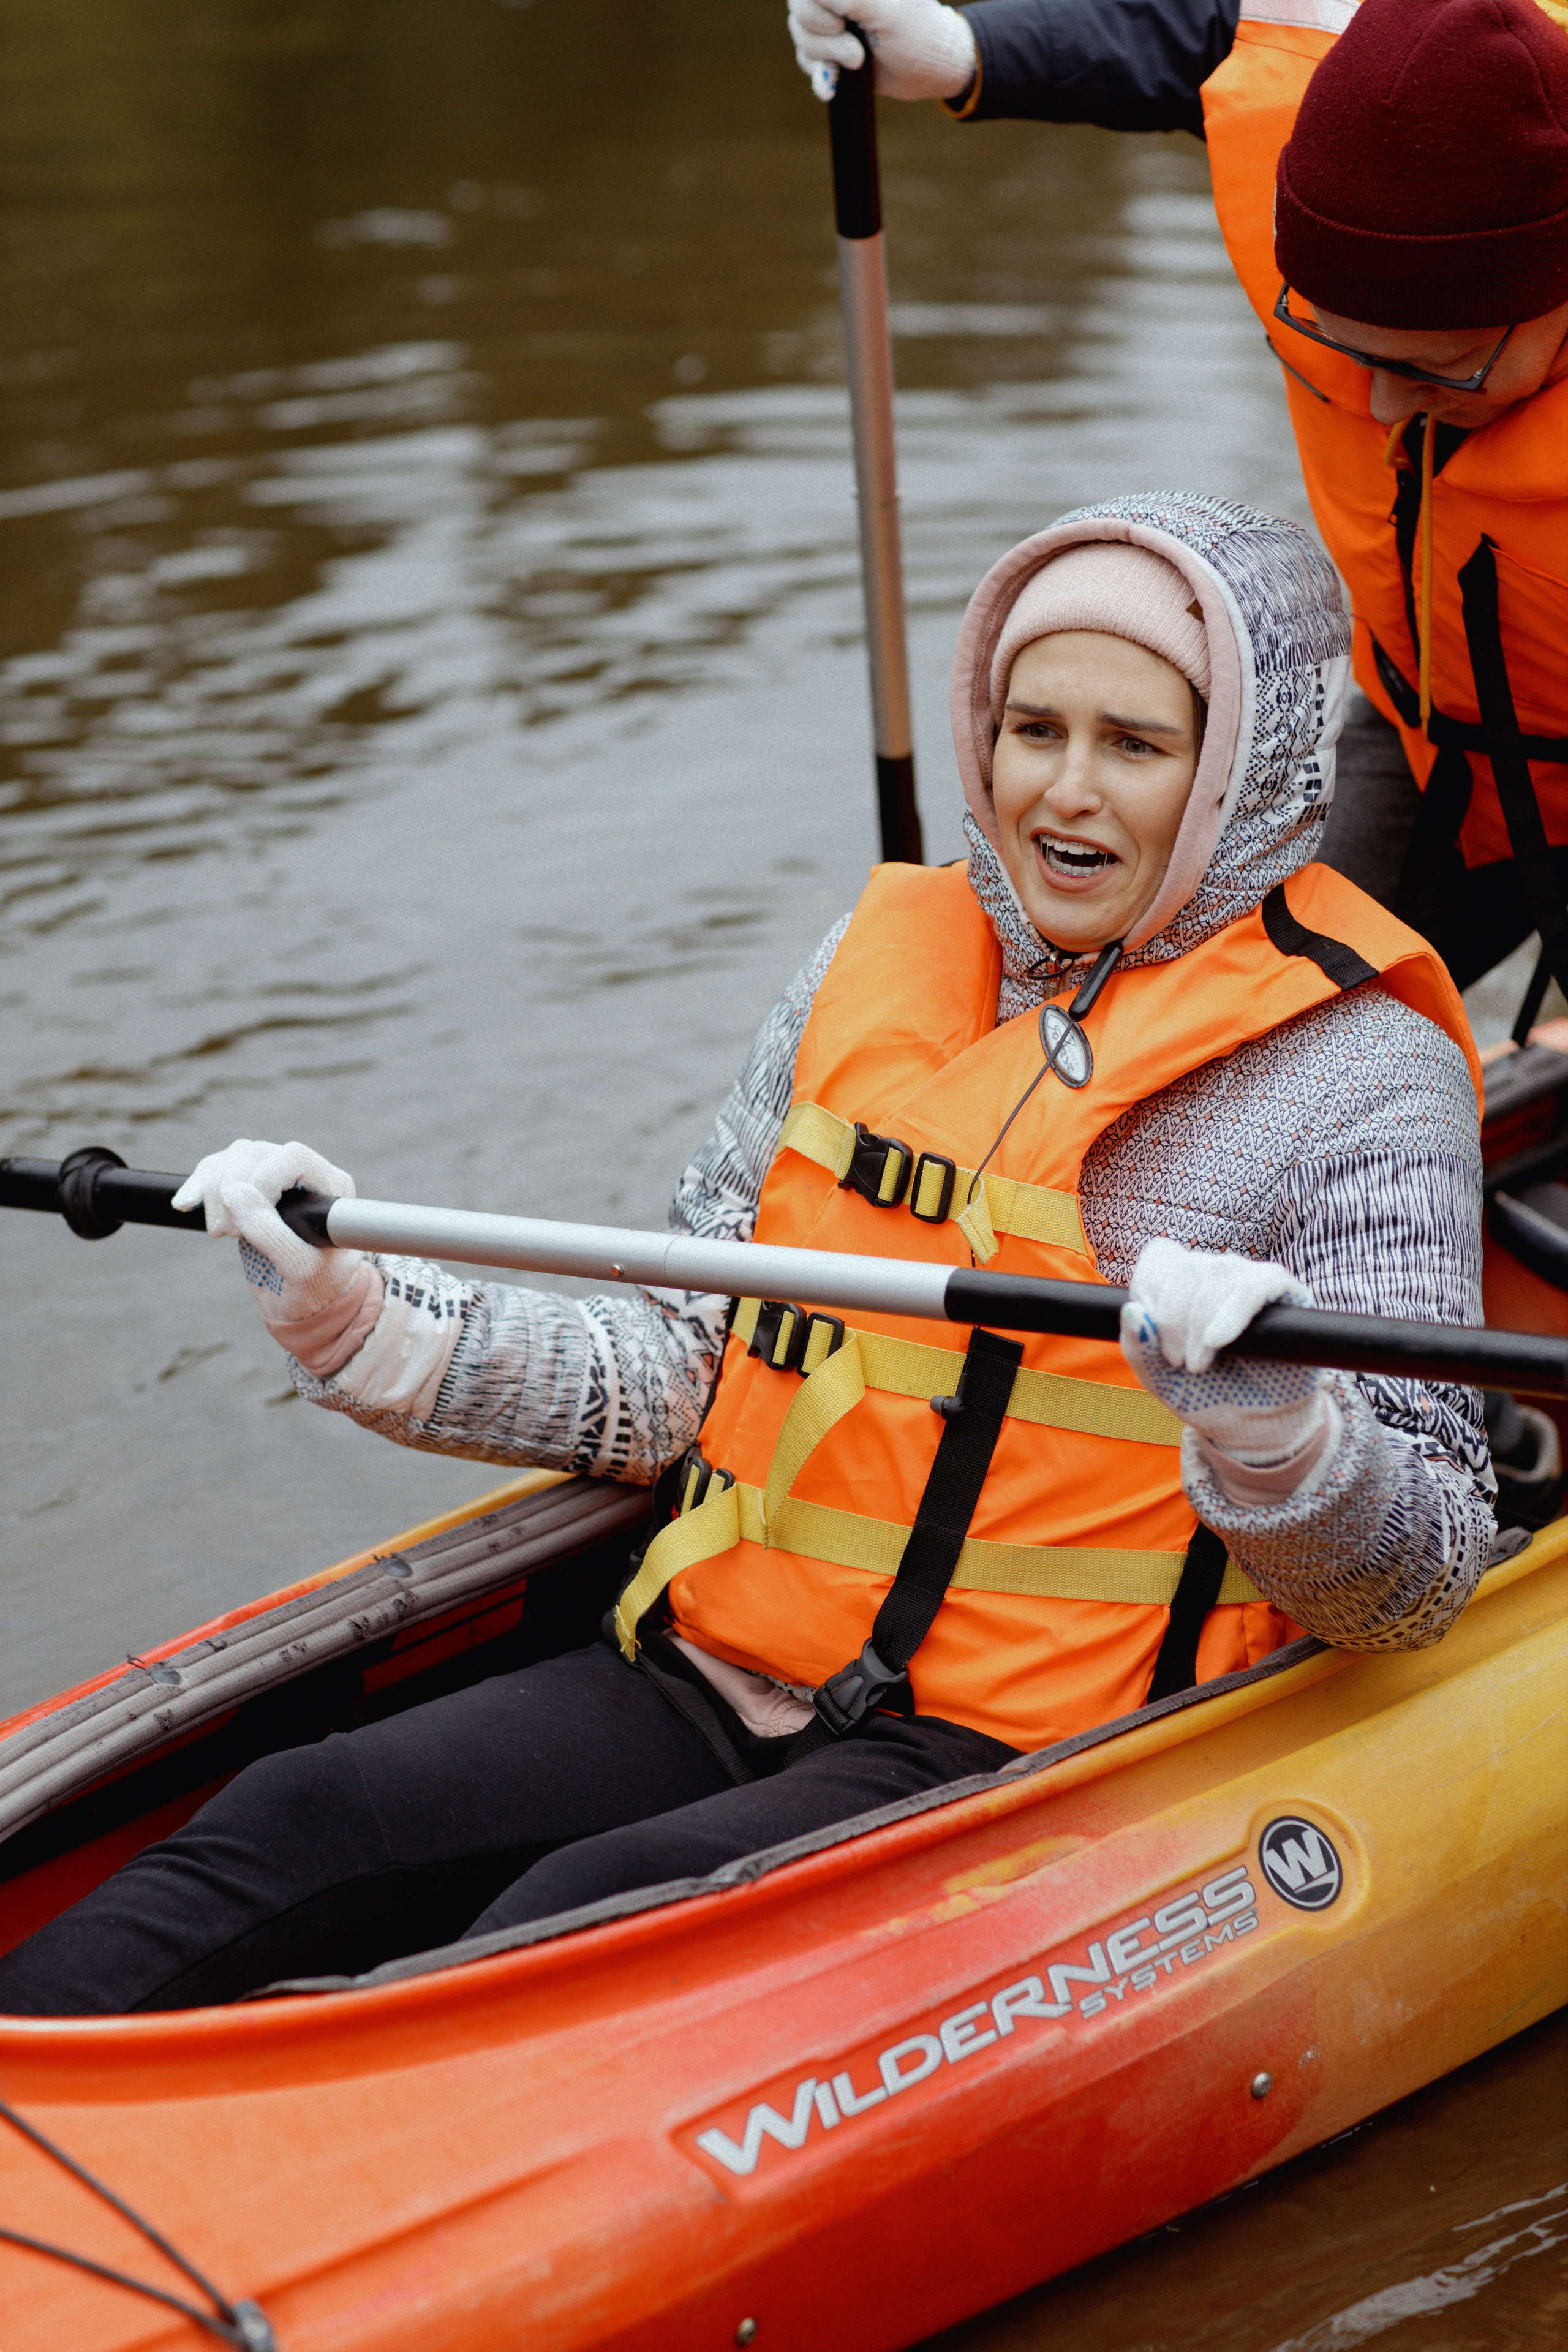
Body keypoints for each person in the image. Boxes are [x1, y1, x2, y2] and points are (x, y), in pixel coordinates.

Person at [0, 494, 1496, 2018]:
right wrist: (363, 1320)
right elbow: (683, 1366)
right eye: (1030, 727)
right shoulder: (874, 972)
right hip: (716, 1663)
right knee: (295, 1819)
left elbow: (1415, 1583)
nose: (1065, 789)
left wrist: (1272, 1430)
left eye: (1133, 744)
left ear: (1234, 771)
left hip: (1019, 1755)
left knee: (555, 1927)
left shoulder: (1356, 1071)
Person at [787, 0, 1568, 1016]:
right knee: (1213, 1023)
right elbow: (1208, 35)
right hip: (1432, 739)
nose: (1377, 405)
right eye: (1348, 349)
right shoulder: (1358, 94)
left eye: (1433, 372)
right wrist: (971, 53)